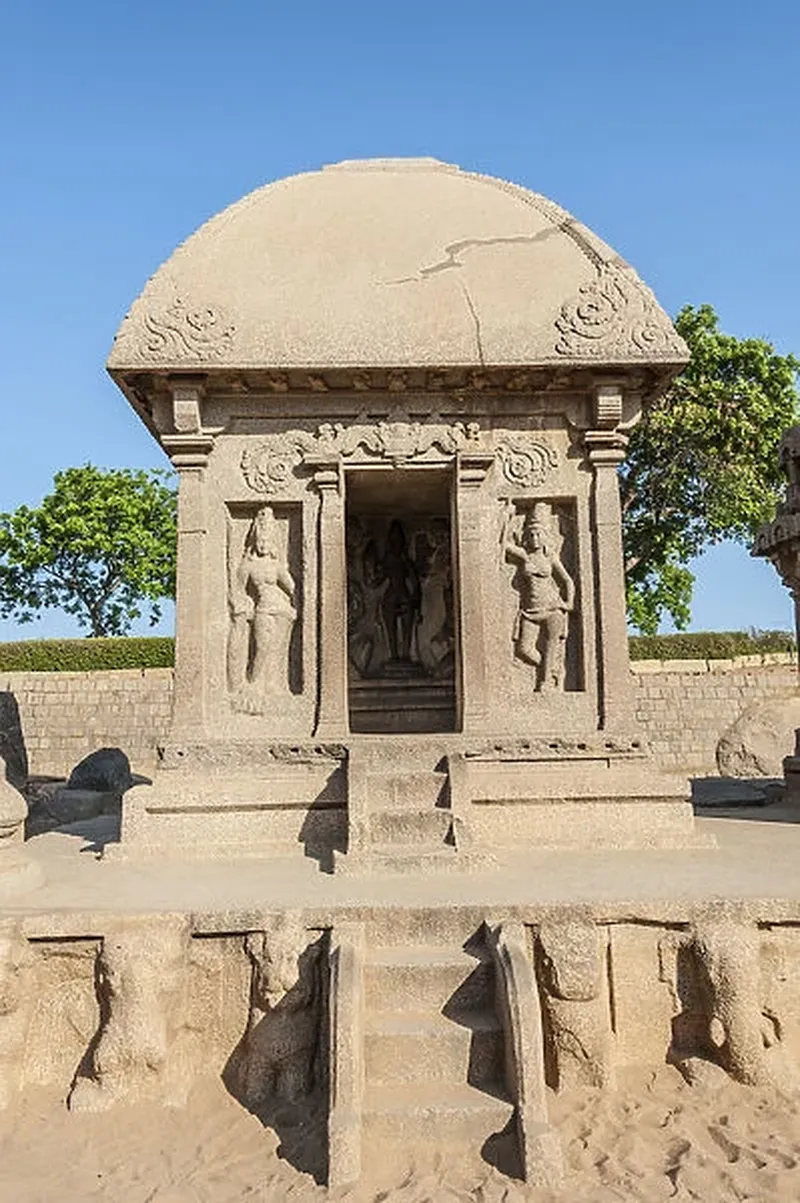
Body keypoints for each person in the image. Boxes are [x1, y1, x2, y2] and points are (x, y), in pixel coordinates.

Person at [227, 506, 296, 711]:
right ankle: (253, 684)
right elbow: (236, 590)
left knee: (277, 651)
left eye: (267, 541)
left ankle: (274, 686)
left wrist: (295, 607)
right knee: (262, 647)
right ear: (255, 541)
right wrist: (241, 607)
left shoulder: (277, 566)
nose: (264, 545)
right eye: (261, 541)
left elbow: (292, 587)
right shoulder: (247, 566)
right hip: (263, 609)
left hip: (282, 610)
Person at [504, 502, 575, 691]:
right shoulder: (525, 556)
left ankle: (545, 681)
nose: (535, 538)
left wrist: (568, 603)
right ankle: (551, 669)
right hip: (530, 609)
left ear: (545, 537)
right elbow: (504, 545)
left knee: (551, 645)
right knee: (523, 649)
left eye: (538, 534)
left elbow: (567, 580)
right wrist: (508, 517)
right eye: (531, 534)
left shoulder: (550, 558)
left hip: (552, 607)